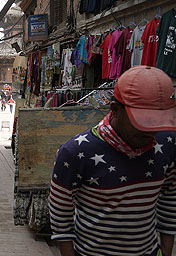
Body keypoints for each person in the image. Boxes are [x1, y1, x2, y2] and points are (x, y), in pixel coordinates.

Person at [49, 66, 176, 256]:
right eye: (142, 122)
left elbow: (169, 197)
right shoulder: (75, 152)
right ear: (115, 110)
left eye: (156, 121)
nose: (150, 131)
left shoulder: (167, 143)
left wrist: (166, 250)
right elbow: (60, 218)